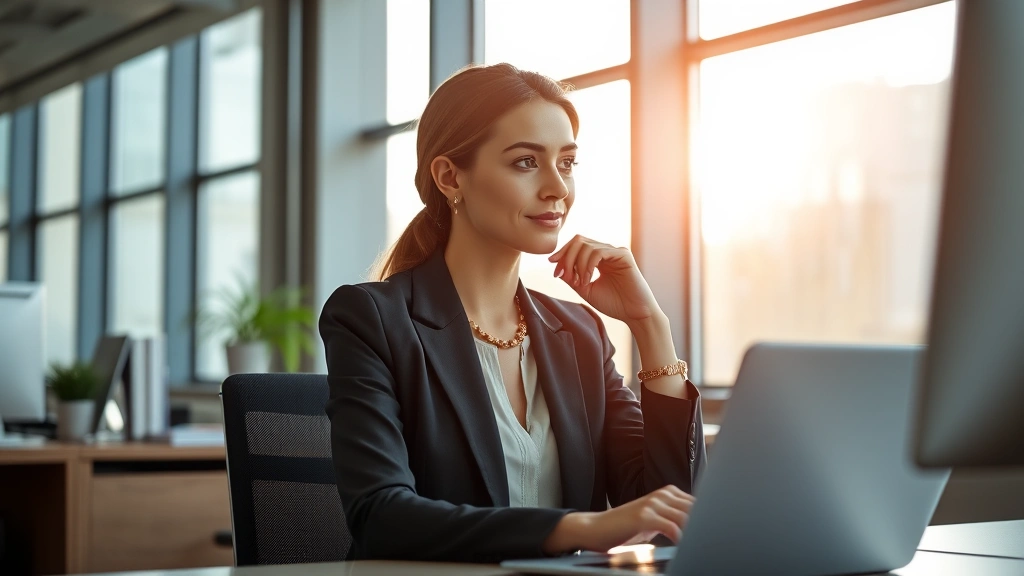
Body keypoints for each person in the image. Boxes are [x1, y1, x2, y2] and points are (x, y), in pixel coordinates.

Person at [319, 62, 706, 563]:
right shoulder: (373, 318)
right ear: (449, 176)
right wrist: (580, 527)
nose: (558, 189)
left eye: (566, 163)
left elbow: (668, 512)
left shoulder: (580, 332)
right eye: (526, 162)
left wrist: (651, 327)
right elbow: (382, 516)